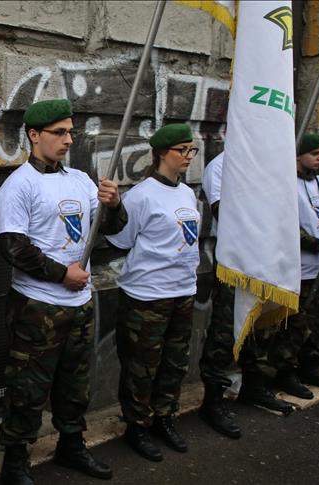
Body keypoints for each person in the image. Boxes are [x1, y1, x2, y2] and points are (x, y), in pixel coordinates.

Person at [0, 99, 125, 483]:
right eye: (59, 132)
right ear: (34, 136)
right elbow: (12, 246)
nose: (68, 139)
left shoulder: (81, 180)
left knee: (75, 384)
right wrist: (60, 274)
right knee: (27, 387)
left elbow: (112, 229)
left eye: (70, 131)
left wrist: (114, 206)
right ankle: (15, 462)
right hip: (38, 306)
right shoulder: (18, 185)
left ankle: (71, 445)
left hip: (79, 304)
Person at [105, 124, 200, 461]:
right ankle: (137, 427)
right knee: (141, 366)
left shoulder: (187, 193)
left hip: (183, 291)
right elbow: (120, 240)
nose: (189, 156)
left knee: (173, 363)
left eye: (192, 150)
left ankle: (164, 418)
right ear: (162, 153)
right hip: (147, 295)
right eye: (182, 150)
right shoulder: (142, 195)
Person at [198, 152, 294, 424]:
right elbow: (223, 211)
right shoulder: (220, 166)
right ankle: (213, 400)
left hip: (263, 254)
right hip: (235, 258)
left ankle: (253, 386)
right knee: (225, 329)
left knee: (258, 326)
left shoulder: (266, 159)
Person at [267, 133, 319, 397]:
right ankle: (285, 371)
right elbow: (286, 224)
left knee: (314, 322)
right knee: (294, 323)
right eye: (315, 154)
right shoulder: (286, 185)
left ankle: (310, 366)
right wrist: (318, 244)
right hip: (298, 267)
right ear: (298, 155)